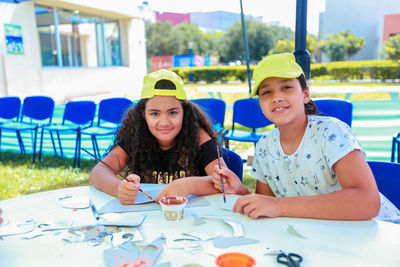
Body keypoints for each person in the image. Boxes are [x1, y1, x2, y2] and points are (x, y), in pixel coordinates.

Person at [212, 53, 400, 221]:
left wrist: (279, 206)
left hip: (379, 233)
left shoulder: (331, 133)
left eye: (286, 87)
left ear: (305, 94)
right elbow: (268, 204)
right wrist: (241, 192)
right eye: (266, 92)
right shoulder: (264, 146)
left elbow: (366, 202)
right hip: (324, 237)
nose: (276, 97)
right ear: (260, 103)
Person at [89, 69, 224, 204]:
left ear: (184, 112)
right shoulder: (137, 135)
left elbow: (224, 180)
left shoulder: (197, 135)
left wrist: (187, 185)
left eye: (172, 113)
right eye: (155, 114)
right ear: (143, 114)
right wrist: (118, 188)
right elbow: (98, 172)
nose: (164, 123)